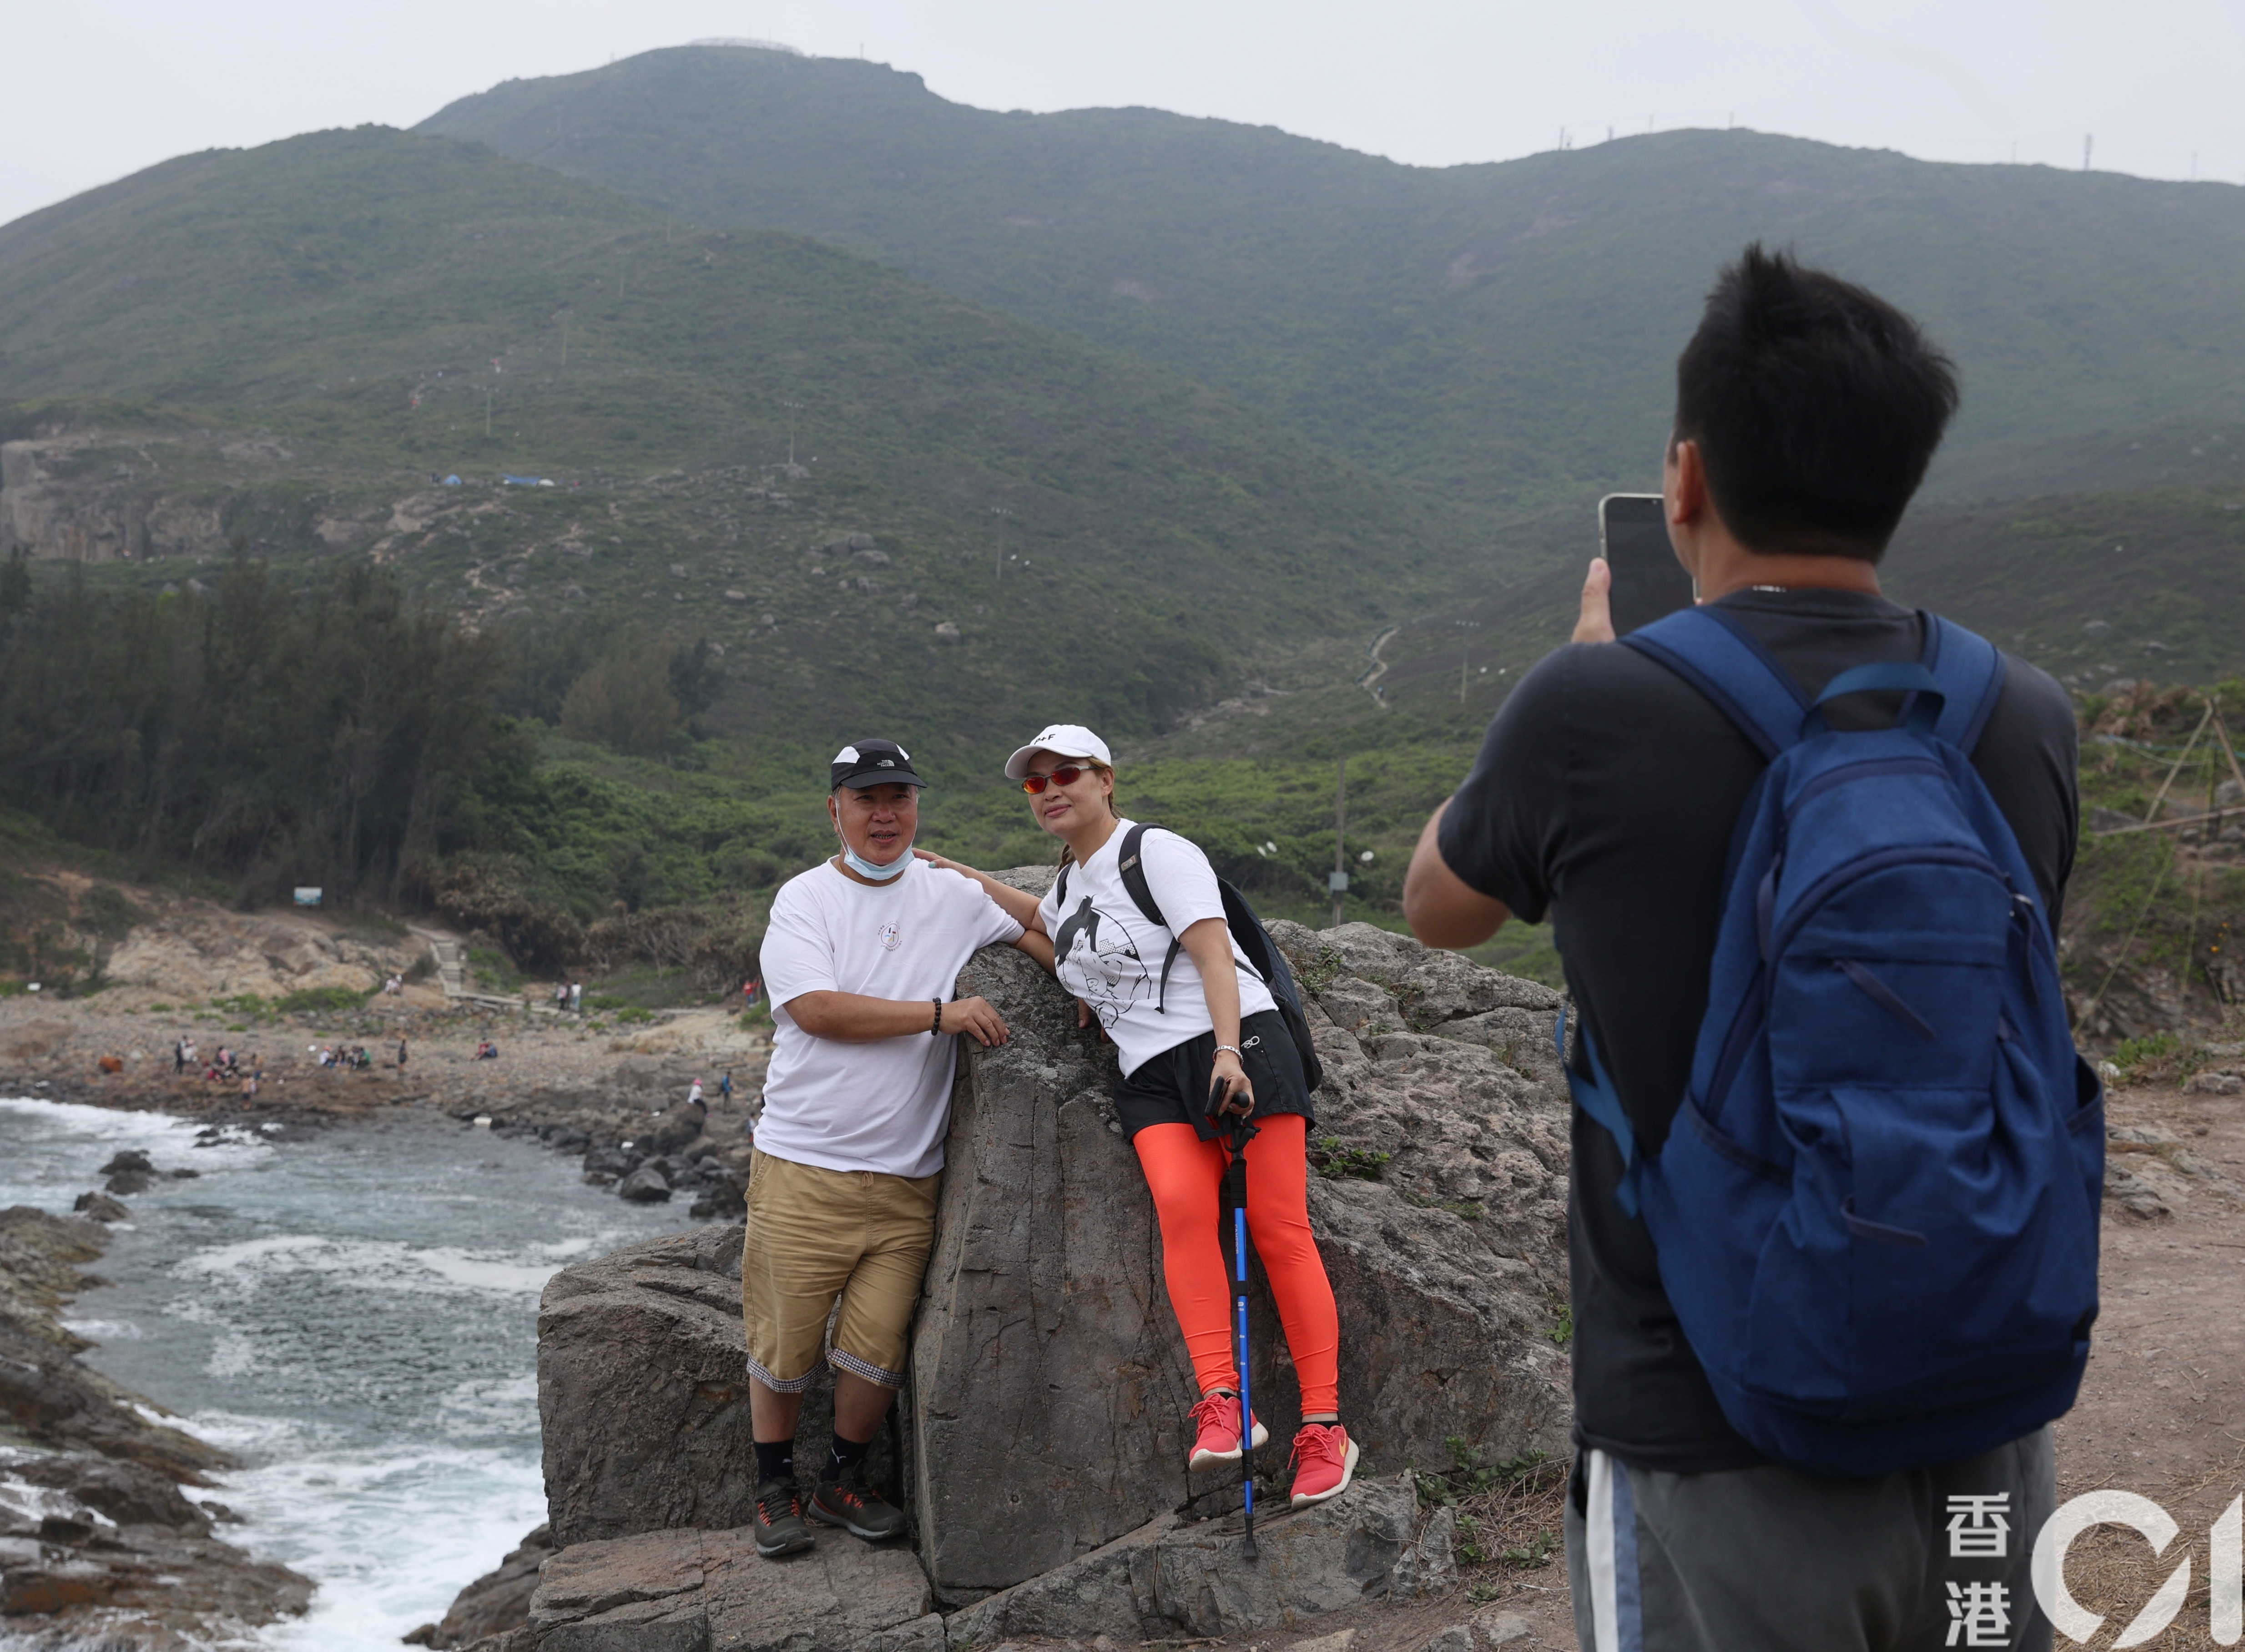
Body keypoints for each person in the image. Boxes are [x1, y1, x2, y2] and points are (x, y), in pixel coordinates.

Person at [1402, 247, 2081, 1652]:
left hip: (1706, 1426)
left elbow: (1439, 906)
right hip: (1982, 1414)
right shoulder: (2025, 714)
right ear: (1902, 479)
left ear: (1687, 480)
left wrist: (1579, 675)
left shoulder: (1591, 710)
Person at [924, 723, 1361, 1511]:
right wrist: (955, 875)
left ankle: (1326, 1428)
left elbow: (1212, 949)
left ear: (1106, 779)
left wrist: (1229, 1052)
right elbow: (1044, 929)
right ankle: (1224, 1405)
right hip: (1149, 1074)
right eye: (1036, 782)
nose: (1052, 789)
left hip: (1240, 1047)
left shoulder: (1157, 852)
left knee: (1277, 1227)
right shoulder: (1069, 888)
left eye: (1068, 774)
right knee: (1184, 1215)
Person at [744, 737, 1050, 1560]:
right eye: (867, 799)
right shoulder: (803, 899)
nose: (885, 814)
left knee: (876, 1352)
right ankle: (773, 1489)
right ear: (835, 809)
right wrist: (937, 1013)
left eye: (900, 798)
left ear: (918, 806)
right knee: (785, 1345)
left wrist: (975, 881)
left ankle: (842, 1482)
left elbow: (1048, 934)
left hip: (910, 1178)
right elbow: (815, 1008)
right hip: (806, 1165)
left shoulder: (948, 894)